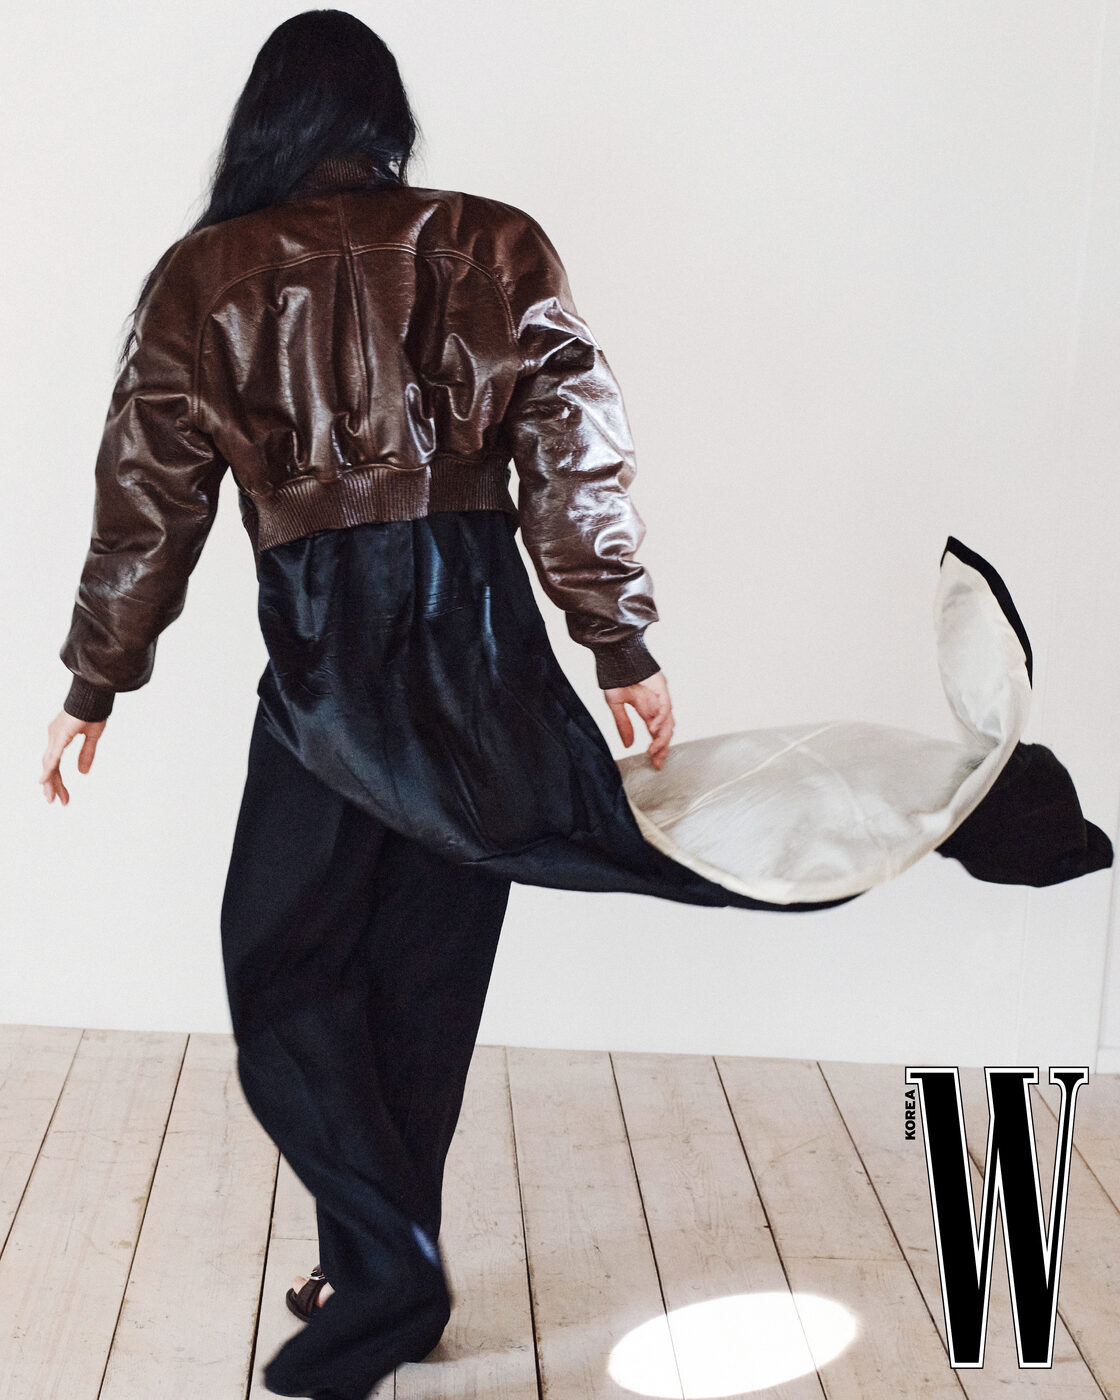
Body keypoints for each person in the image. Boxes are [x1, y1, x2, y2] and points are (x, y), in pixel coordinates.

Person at [39, 10, 1112, 1399]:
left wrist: (95, 682)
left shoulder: (208, 275)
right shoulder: (491, 243)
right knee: (428, 974)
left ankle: (387, 1272)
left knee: (285, 967)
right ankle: (382, 1276)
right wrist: (617, 644)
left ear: (268, 121)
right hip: (482, 648)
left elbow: (148, 503)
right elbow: (573, 450)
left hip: (332, 667)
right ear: (386, 122)